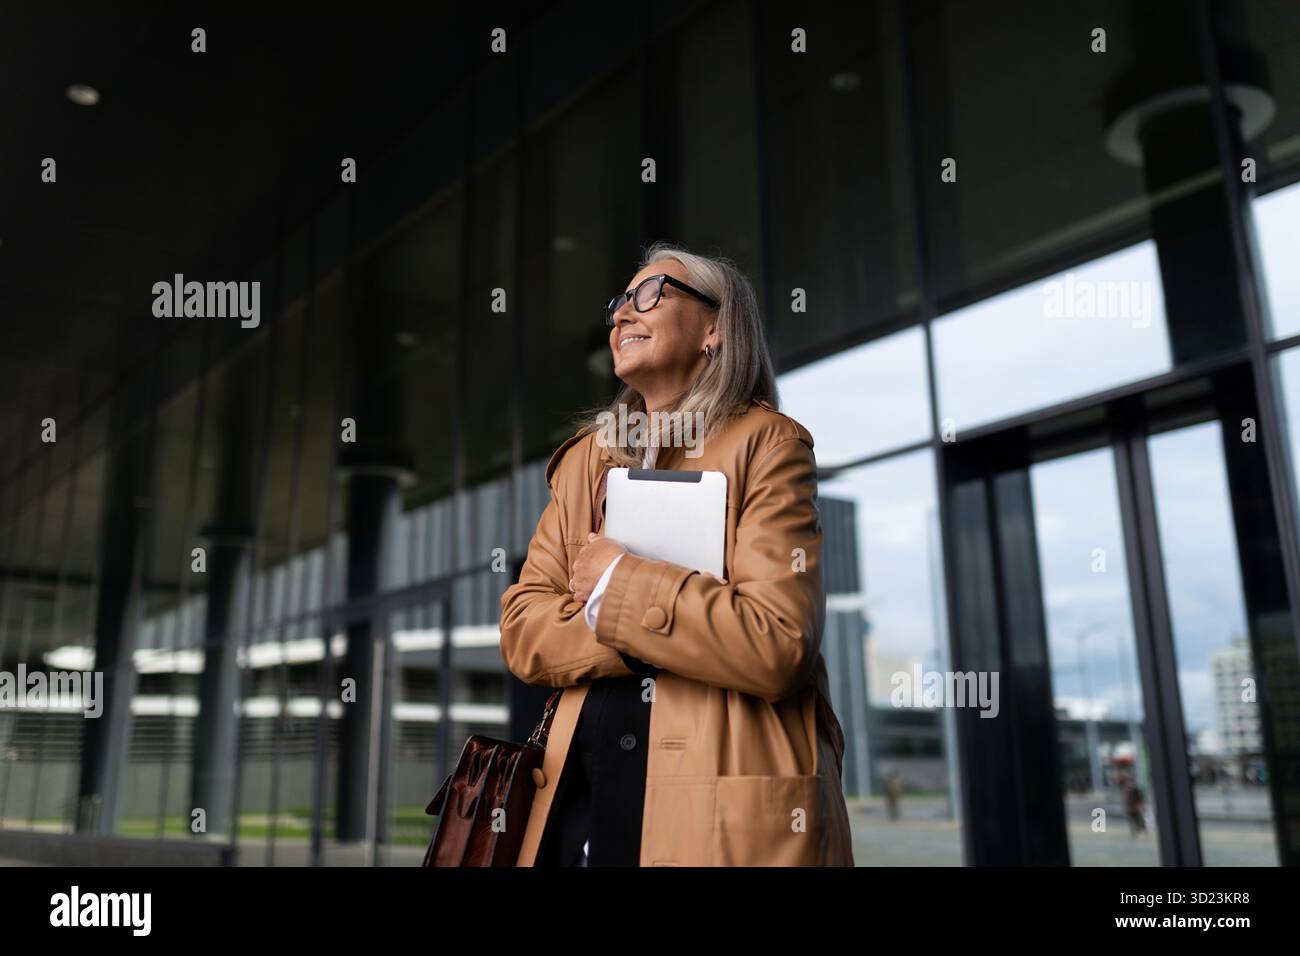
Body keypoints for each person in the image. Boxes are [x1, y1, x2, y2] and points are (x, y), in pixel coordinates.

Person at [499, 241, 855, 866]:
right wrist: (687, 621)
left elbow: (775, 644)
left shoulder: (768, 445)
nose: (620, 315)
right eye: (618, 304)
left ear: (716, 327)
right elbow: (525, 631)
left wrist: (613, 586)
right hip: (576, 804)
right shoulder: (586, 459)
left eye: (649, 294)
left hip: (720, 812)